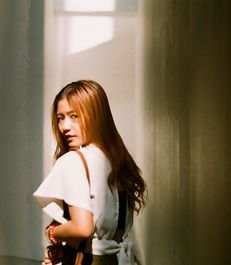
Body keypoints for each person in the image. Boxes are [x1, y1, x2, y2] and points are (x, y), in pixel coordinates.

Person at [33, 80, 146, 265]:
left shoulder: (73, 161)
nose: (65, 126)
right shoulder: (118, 162)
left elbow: (83, 227)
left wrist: (52, 232)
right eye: (61, 117)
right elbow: (107, 236)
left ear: (96, 116)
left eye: (74, 116)